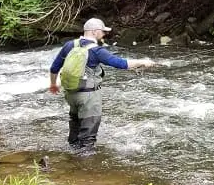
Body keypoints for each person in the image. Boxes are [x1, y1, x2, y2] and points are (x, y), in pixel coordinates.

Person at [49, 18, 155, 152]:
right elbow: (121, 64)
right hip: (88, 97)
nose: (104, 34)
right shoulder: (96, 51)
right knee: (88, 140)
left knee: (75, 135)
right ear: (94, 32)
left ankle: (71, 161)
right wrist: (143, 62)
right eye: (102, 31)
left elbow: (54, 68)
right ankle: (85, 168)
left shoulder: (69, 45)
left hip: (71, 94)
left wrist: (53, 84)